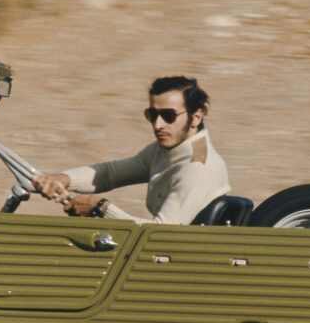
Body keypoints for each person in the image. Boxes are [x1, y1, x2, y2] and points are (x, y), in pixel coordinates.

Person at [32, 76, 230, 224]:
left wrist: (101, 208)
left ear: (196, 117)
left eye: (169, 116)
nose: (158, 125)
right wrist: (63, 179)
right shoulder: (167, 150)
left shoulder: (198, 168)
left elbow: (160, 233)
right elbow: (109, 174)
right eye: (152, 115)